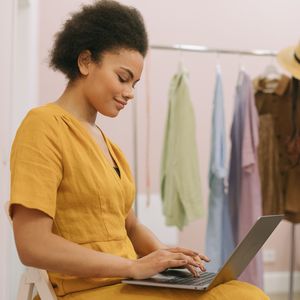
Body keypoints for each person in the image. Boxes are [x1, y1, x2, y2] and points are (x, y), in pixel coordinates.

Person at [9, 1, 269, 299]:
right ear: (85, 62)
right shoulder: (42, 126)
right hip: (89, 289)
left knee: (242, 291)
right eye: (123, 78)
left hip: (127, 283)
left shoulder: (109, 147)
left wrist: (167, 256)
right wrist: (131, 267)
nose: (130, 92)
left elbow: (131, 227)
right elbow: (32, 244)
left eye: (135, 83)